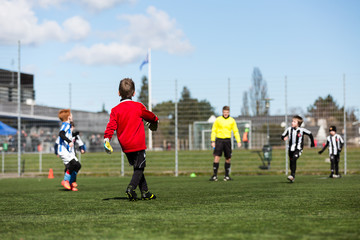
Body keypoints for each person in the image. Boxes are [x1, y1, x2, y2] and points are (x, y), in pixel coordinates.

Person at [103, 78, 159, 201]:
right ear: (134, 93)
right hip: (137, 144)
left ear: (119, 93)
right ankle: (131, 188)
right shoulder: (138, 106)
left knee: (138, 167)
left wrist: (107, 138)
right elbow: (149, 115)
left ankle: (145, 192)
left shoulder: (115, 110)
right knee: (140, 168)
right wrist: (155, 120)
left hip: (126, 146)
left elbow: (111, 126)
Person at [209, 106, 241, 181]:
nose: (226, 114)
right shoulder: (218, 120)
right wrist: (213, 141)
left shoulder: (232, 120)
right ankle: (215, 176)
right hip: (219, 140)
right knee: (217, 157)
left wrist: (238, 141)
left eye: (227, 112)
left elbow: (235, 131)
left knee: (228, 158)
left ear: (229, 112)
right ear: (222, 112)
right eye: (224, 112)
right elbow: (214, 130)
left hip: (227, 141)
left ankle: (226, 176)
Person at [281, 115, 315, 183]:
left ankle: (292, 175)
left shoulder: (302, 130)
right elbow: (282, 135)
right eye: (292, 121)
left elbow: (310, 134)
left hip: (298, 149)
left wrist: (312, 143)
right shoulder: (289, 129)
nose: (292, 123)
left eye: (294, 122)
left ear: (298, 124)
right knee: (291, 163)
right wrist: (283, 138)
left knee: (294, 159)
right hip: (290, 149)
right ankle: (292, 177)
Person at [55, 109, 81, 191]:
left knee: (78, 165)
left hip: (68, 151)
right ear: (69, 117)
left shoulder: (68, 126)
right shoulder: (65, 125)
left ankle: (71, 183)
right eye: (71, 115)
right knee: (72, 164)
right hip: (63, 150)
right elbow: (61, 134)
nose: (72, 116)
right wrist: (69, 141)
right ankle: (66, 180)